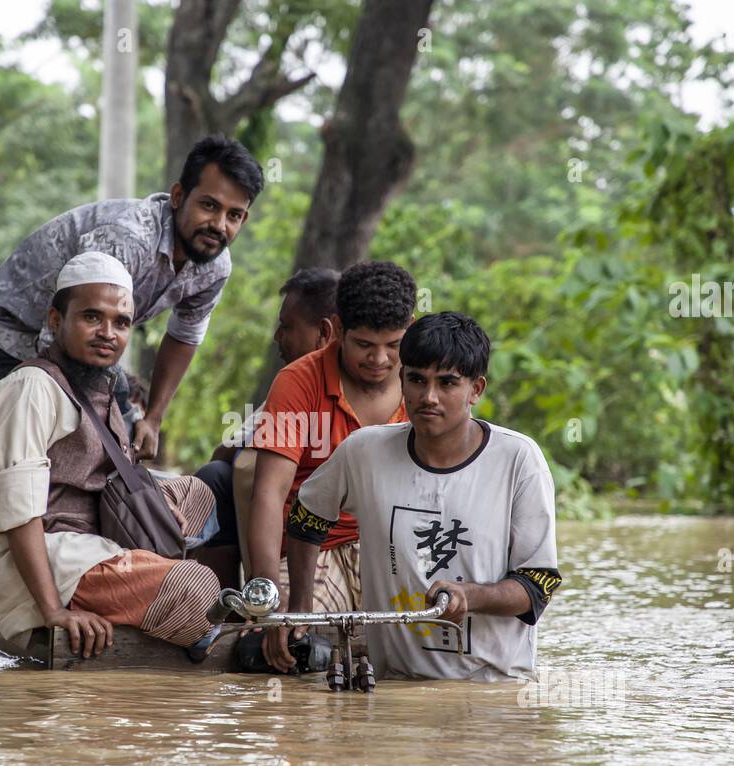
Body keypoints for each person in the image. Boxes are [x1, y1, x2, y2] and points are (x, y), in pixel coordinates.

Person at [271, 312, 562, 681]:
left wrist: (468, 596)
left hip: (493, 688)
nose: (429, 397)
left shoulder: (519, 459)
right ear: (401, 380)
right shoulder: (364, 452)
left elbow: (538, 585)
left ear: (477, 389)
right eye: (417, 380)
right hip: (394, 683)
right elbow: (306, 516)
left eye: (447, 383)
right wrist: (300, 608)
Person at [0, 251, 224, 659]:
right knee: (198, 592)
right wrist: (52, 611)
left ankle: (144, 588)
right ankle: (143, 596)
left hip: (93, 538)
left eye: (121, 323)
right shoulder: (30, 388)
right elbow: (20, 513)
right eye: (91, 317)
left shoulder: (102, 389)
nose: (108, 333)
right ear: (55, 321)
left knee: (202, 493)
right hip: (38, 550)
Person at [0, 135, 264, 461]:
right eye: (209, 206)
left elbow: (184, 336)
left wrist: (153, 418)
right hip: (16, 327)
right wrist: (109, 410)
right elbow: (64, 334)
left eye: (234, 215)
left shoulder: (215, 267)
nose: (219, 225)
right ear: (178, 196)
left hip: (82, 337)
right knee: (38, 449)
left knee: (121, 441)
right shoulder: (129, 238)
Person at [244, 260, 416, 621]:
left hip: (398, 551)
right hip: (314, 551)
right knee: (293, 641)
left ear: (411, 331)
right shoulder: (298, 382)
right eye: (364, 344)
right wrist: (267, 599)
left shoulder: (426, 384)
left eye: (394, 345)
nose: (379, 359)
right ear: (337, 329)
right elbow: (269, 493)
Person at [193, 267, 338, 553]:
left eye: (287, 327)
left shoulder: (301, 382)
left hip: (320, 528)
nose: (276, 337)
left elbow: (225, 451)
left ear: (323, 332)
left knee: (214, 478)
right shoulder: (297, 383)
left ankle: (222, 591)